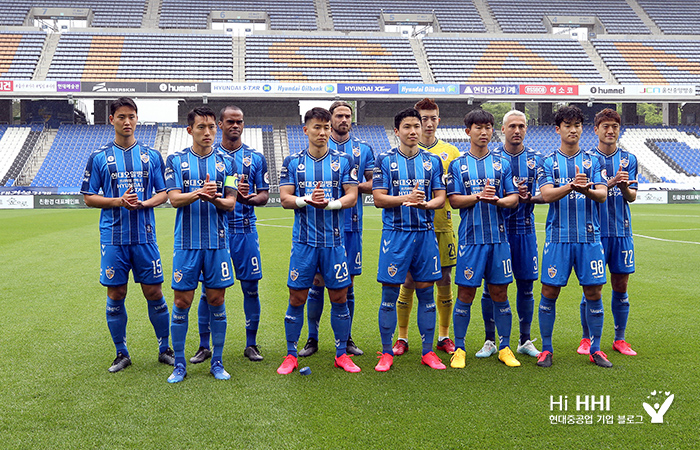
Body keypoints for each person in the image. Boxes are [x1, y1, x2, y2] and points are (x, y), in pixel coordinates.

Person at [81, 97, 174, 373]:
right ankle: (121, 352)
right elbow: (88, 197)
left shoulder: (151, 156)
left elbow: (164, 193)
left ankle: (164, 347)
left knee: (154, 291)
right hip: (113, 237)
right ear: (112, 119)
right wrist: (118, 202)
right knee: (116, 292)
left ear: (137, 118)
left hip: (144, 236)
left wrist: (145, 203)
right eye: (121, 116)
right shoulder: (99, 157)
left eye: (131, 116)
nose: (127, 121)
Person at [276, 107, 361, 375]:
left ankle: (340, 354)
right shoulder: (292, 161)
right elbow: (285, 199)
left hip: (335, 243)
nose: (323, 132)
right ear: (306, 130)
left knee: (340, 296)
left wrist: (331, 204)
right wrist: (306, 200)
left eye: (326, 127)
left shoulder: (344, 160)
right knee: (297, 296)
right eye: (317, 127)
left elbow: (352, 196)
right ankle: (291, 355)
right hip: (303, 243)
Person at [189, 105, 270, 365]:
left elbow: (265, 195)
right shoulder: (209, 156)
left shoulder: (255, 158)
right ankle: (204, 345)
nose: (235, 125)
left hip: (245, 231)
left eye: (240, 122)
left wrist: (249, 198)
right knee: (207, 291)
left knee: (251, 289)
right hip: (215, 233)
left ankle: (251, 344)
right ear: (220, 125)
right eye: (230, 122)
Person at [164, 107, 238, 383]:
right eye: (201, 127)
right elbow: (173, 199)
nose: (207, 133)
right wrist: (198, 193)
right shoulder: (176, 161)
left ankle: (217, 362)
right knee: (182, 301)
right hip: (186, 243)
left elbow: (230, 203)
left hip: (217, 244)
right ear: (189, 130)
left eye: (211, 127)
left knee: (217, 299)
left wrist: (214, 199)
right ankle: (180, 365)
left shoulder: (227, 164)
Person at [535, 105, 611, 368]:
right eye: (567, 125)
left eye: (577, 125)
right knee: (549, 291)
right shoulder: (548, 162)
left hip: (590, 238)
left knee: (594, 291)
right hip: (558, 238)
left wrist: (586, 190)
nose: (573, 129)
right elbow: (545, 195)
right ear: (558, 129)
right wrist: (570, 186)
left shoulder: (594, 161)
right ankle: (546, 349)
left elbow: (602, 194)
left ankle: (596, 348)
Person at [445, 109, 521, 369]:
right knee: (466, 293)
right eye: (478, 127)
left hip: (498, 241)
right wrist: (478, 196)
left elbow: (514, 198)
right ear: (468, 132)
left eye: (488, 127)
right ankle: (460, 348)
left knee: (500, 292)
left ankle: (505, 347)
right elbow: (454, 200)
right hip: (471, 240)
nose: (484, 132)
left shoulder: (502, 163)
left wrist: (498, 199)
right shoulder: (458, 165)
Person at [373, 108, 447, 372]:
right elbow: (379, 198)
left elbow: (440, 196)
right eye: (407, 127)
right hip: (395, 235)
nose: (413, 131)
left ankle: (428, 352)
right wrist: (406, 199)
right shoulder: (384, 159)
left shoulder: (432, 162)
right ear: (397, 131)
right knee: (389, 294)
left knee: (427, 293)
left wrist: (427, 205)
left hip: (425, 234)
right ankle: (386, 352)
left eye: (417, 126)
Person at [299, 101, 374, 358]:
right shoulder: (317, 150)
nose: (344, 120)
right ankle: (312, 337)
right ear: (329, 122)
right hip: (319, 229)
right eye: (339, 116)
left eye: (347, 116)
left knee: (347, 284)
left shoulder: (362, 149)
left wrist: (348, 184)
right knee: (316, 283)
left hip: (351, 226)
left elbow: (373, 183)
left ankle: (347, 338)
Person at [393, 98, 460, 356]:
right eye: (424, 119)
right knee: (409, 280)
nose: (428, 123)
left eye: (433, 118)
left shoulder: (451, 152)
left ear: (438, 120)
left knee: (444, 278)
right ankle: (402, 337)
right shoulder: (401, 152)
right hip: (410, 227)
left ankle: (443, 335)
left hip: (441, 226)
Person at [476, 110, 543, 360]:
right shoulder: (490, 159)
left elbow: (543, 194)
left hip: (525, 231)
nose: (517, 130)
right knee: (491, 289)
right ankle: (490, 340)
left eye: (522, 126)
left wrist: (530, 197)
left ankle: (525, 340)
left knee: (526, 287)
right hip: (497, 233)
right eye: (512, 126)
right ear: (502, 130)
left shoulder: (536, 160)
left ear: (526, 129)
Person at [577, 108, 638, 356]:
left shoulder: (629, 159)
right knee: (592, 287)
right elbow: (587, 193)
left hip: (621, 232)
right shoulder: (587, 158)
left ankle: (620, 339)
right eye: (605, 126)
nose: (610, 131)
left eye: (614, 126)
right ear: (596, 130)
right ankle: (586, 338)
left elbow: (632, 197)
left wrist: (623, 187)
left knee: (621, 285)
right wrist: (609, 183)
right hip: (594, 233)